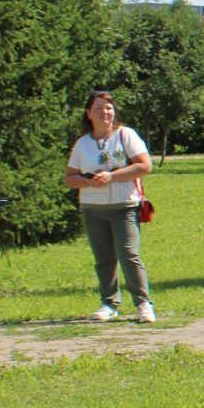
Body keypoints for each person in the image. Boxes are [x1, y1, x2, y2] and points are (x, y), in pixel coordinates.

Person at [63, 91, 156, 323]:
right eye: (99, 108)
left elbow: (145, 166)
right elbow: (69, 177)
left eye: (108, 108)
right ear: (88, 113)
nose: (105, 112)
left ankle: (143, 304)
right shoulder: (82, 144)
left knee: (128, 253)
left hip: (124, 206)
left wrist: (112, 177)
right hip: (92, 208)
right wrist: (87, 182)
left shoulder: (126, 135)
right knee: (103, 258)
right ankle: (109, 303)